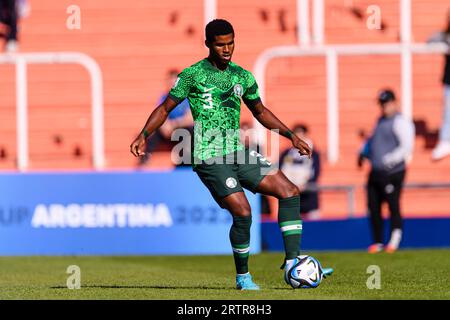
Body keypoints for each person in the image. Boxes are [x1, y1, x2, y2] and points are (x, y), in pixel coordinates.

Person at [130, 19, 333, 290]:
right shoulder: (193, 75)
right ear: (208, 44)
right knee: (244, 211)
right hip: (208, 156)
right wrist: (144, 134)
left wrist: (291, 136)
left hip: (237, 152)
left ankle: (294, 262)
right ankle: (243, 277)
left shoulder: (242, 76)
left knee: (289, 191)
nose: (227, 49)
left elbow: (260, 111)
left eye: (230, 43)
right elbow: (165, 108)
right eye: (220, 44)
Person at [358, 89, 415, 254]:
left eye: (387, 103)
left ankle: (394, 241)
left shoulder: (401, 122)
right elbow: (373, 142)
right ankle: (377, 242)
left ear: (394, 102)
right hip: (375, 172)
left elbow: (406, 147)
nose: (384, 107)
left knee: (393, 204)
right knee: (373, 206)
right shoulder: (380, 121)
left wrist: (388, 161)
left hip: (392, 172)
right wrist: (364, 153)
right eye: (382, 104)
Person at [138, 69, 193, 167]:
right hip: (169, 130)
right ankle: (145, 159)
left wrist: (174, 124)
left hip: (182, 128)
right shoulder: (164, 98)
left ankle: (183, 162)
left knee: (188, 132)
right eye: (170, 81)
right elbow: (161, 114)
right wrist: (164, 126)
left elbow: (189, 119)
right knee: (155, 131)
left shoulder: (187, 98)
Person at [279, 124, 321, 220]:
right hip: (291, 196)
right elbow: (281, 171)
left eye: (301, 134)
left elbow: (316, 172)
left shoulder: (314, 153)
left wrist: (305, 185)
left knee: (313, 225)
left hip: (309, 196)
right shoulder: (286, 153)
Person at [428, 9, 450, 161]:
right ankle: (446, 140)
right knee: (448, 111)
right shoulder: (444, 36)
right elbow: (430, 41)